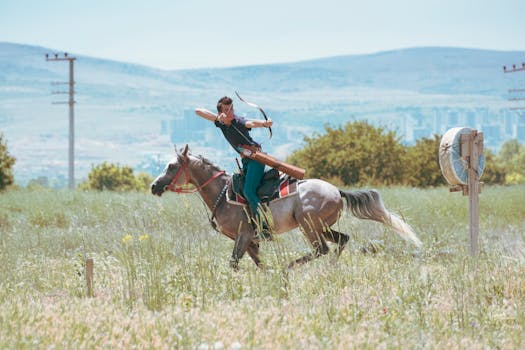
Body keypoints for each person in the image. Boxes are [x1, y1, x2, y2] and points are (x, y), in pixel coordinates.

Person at [195, 96, 273, 238]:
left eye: (231, 109)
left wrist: (263, 123)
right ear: (221, 112)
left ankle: (264, 229)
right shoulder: (222, 123)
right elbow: (198, 111)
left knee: (249, 192)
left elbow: (250, 123)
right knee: (240, 190)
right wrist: (219, 118)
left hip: (256, 159)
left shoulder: (238, 121)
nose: (230, 112)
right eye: (226, 110)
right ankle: (249, 224)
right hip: (246, 161)